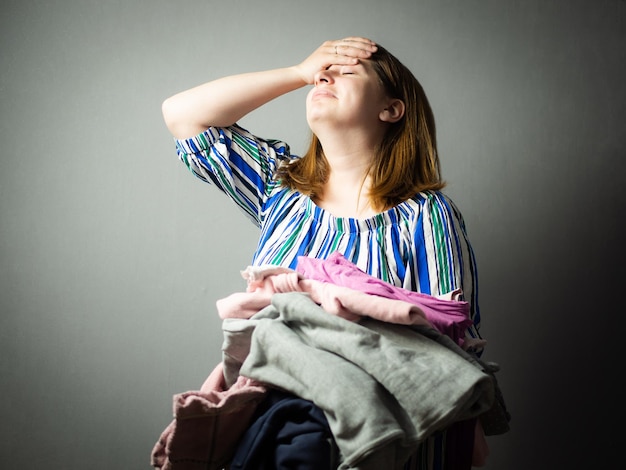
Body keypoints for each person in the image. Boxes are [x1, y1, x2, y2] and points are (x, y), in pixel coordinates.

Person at [162, 37, 484, 470]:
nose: (324, 75)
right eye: (321, 72)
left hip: (379, 443)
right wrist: (298, 72)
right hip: (273, 434)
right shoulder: (280, 191)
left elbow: (448, 351)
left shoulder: (426, 217)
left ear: (391, 109)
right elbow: (182, 116)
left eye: (345, 70)